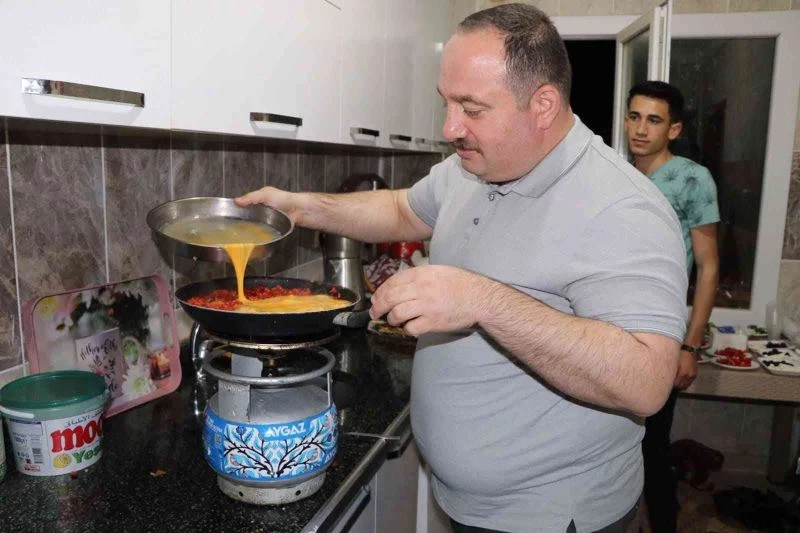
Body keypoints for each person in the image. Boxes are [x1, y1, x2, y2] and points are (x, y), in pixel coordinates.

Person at [237, 4, 688, 532]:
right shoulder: (472, 167)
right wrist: (303, 208)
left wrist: (482, 300)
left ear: (543, 104)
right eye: (446, 102)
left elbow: (646, 381)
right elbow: (402, 209)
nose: (450, 128)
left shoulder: (622, 205)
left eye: (472, 108)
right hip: (467, 505)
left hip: (549, 516)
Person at [625, 81, 720, 533]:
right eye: (634, 117)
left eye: (654, 120)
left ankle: (662, 524)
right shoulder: (618, 174)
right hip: (613, 331)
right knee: (614, 448)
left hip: (661, 335)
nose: (640, 129)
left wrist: (691, 346)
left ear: (675, 129)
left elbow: (709, 266)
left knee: (652, 448)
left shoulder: (692, 179)